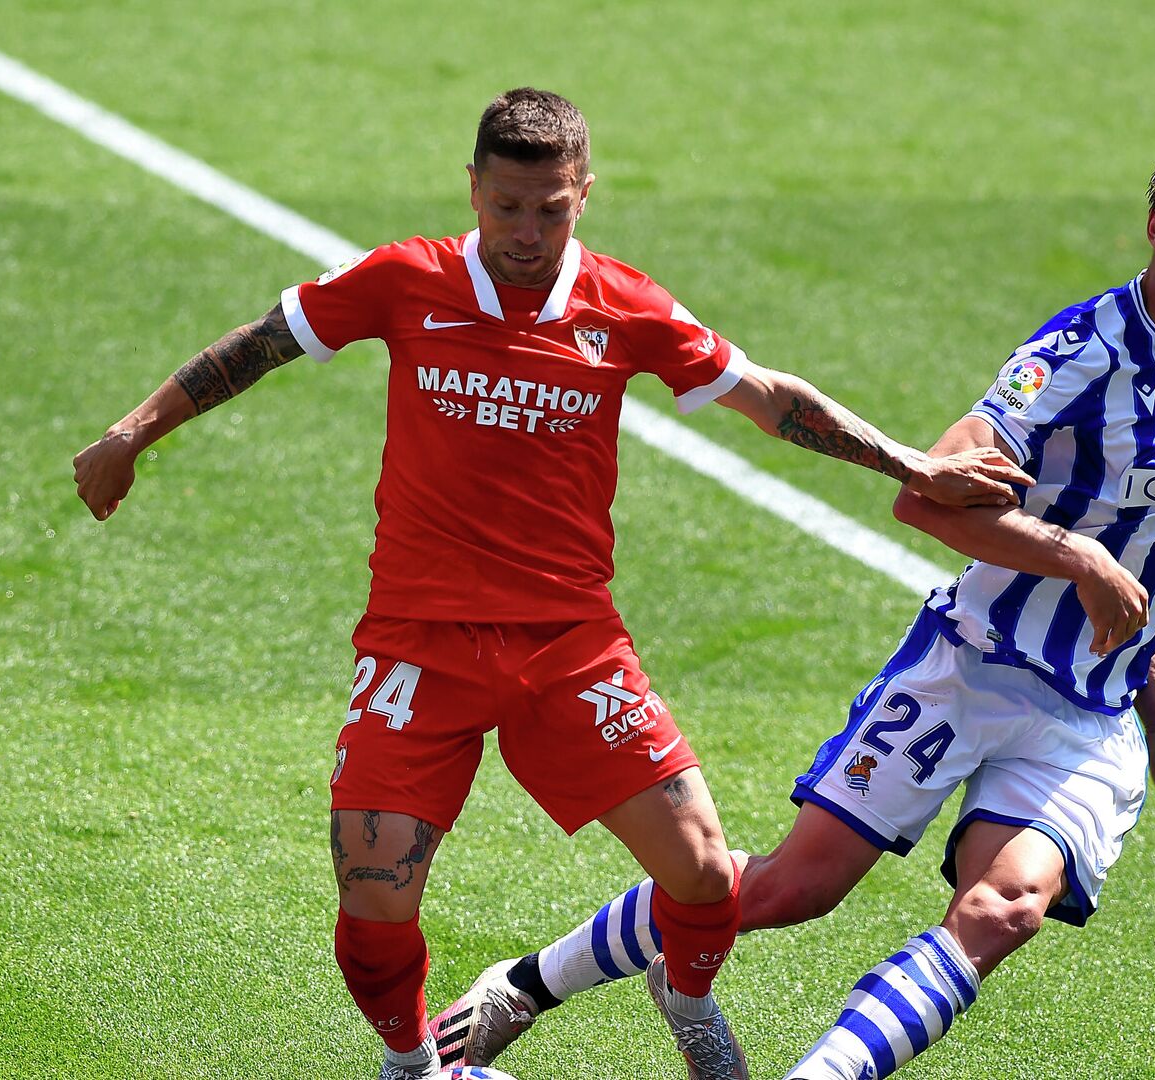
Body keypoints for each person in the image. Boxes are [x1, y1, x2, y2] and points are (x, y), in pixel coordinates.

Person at [72, 87, 1029, 1080]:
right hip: (420, 640)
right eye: (507, 208)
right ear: (475, 190)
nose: (526, 234)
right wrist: (132, 433)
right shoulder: (407, 279)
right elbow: (263, 342)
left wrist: (914, 466)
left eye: (552, 209)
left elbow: (769, 398)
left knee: (704, 875)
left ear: (584, 195)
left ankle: (685, 992)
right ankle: (413, 1065)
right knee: (371, 889)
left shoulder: (625, 305)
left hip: (569, 644)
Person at [431, 114, 1155, 1079]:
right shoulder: (1076, 356)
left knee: (1006, 909)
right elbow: (928, 494)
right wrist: (1078, 559)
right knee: (789, 891)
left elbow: (1150, 565)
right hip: (973, 668)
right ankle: (523, 984)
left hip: (1091, 714)